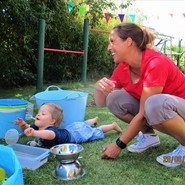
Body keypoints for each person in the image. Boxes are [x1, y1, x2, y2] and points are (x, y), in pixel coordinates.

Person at [94, 22, 185, 167]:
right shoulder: (123, 68)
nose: (108, 47)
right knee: (114, 98)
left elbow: (143, 113)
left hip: (180, 108)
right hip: (162, 111)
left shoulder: (156, 63)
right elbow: (102, 103)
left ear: (129, 42)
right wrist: (99, 88)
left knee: (154, 104)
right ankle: (149, 137)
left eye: (112, 42)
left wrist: (119, 145)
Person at [14, 102, 122, 148]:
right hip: (71, 129)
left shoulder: (51, 130)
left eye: (43, 113)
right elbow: (27, 130)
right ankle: (93, 120)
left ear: (52, 121)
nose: (38, 114)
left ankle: (112, 126)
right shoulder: (37, 127)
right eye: (39, 112)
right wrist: (23, 125)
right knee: (83, 124)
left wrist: (35, 133)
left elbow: (49, 135)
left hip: (76, 135)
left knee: (94, 132)